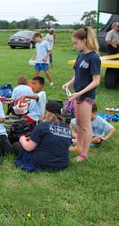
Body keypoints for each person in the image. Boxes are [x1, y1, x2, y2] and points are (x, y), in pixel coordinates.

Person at [62, 27, 101, 162]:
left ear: (84, 41)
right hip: (77, 94)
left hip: (86, 96)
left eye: (75, 43)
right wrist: (69, 83)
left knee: (85, 126)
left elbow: (96, 81)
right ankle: (78, 146)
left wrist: (80, 92)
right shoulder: (81, 55)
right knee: (78, 122)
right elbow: (77, 75)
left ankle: (84, 154)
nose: (74, 45)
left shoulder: (94, 57)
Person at [13, 101, 71, 172]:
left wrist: (22, 139)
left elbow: (29, 148)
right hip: (62, 164)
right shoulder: (67, 128)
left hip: (42, 163)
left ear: (47, 112)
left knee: (17, 146)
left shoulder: (42, 126)